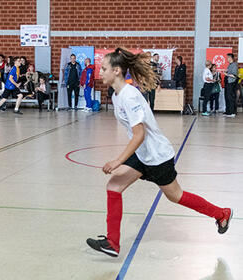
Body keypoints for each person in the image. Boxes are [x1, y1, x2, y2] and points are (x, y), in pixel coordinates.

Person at [86, 47, 232, 258]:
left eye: (104, 68)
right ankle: (112, 243)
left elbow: (139, 135)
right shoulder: (119, 96)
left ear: (117, 70)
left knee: (175, 196)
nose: (100, 72)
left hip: (157, 157)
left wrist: (118, 161)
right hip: (145, 154)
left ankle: (221, 213)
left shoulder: (129, 96)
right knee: (114, 186)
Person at [224, 53, 238, 117]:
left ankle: (232, 112)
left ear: (230, 58)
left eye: (227, 57)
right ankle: (228, 111)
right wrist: (226, 71)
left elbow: (234, 75)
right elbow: (229, 72)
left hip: (231, 83)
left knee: (231, 97)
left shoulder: (234, 65)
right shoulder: (230, 65)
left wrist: (227, 74)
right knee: (227, 97)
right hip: (227, 83)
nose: (227, 59)